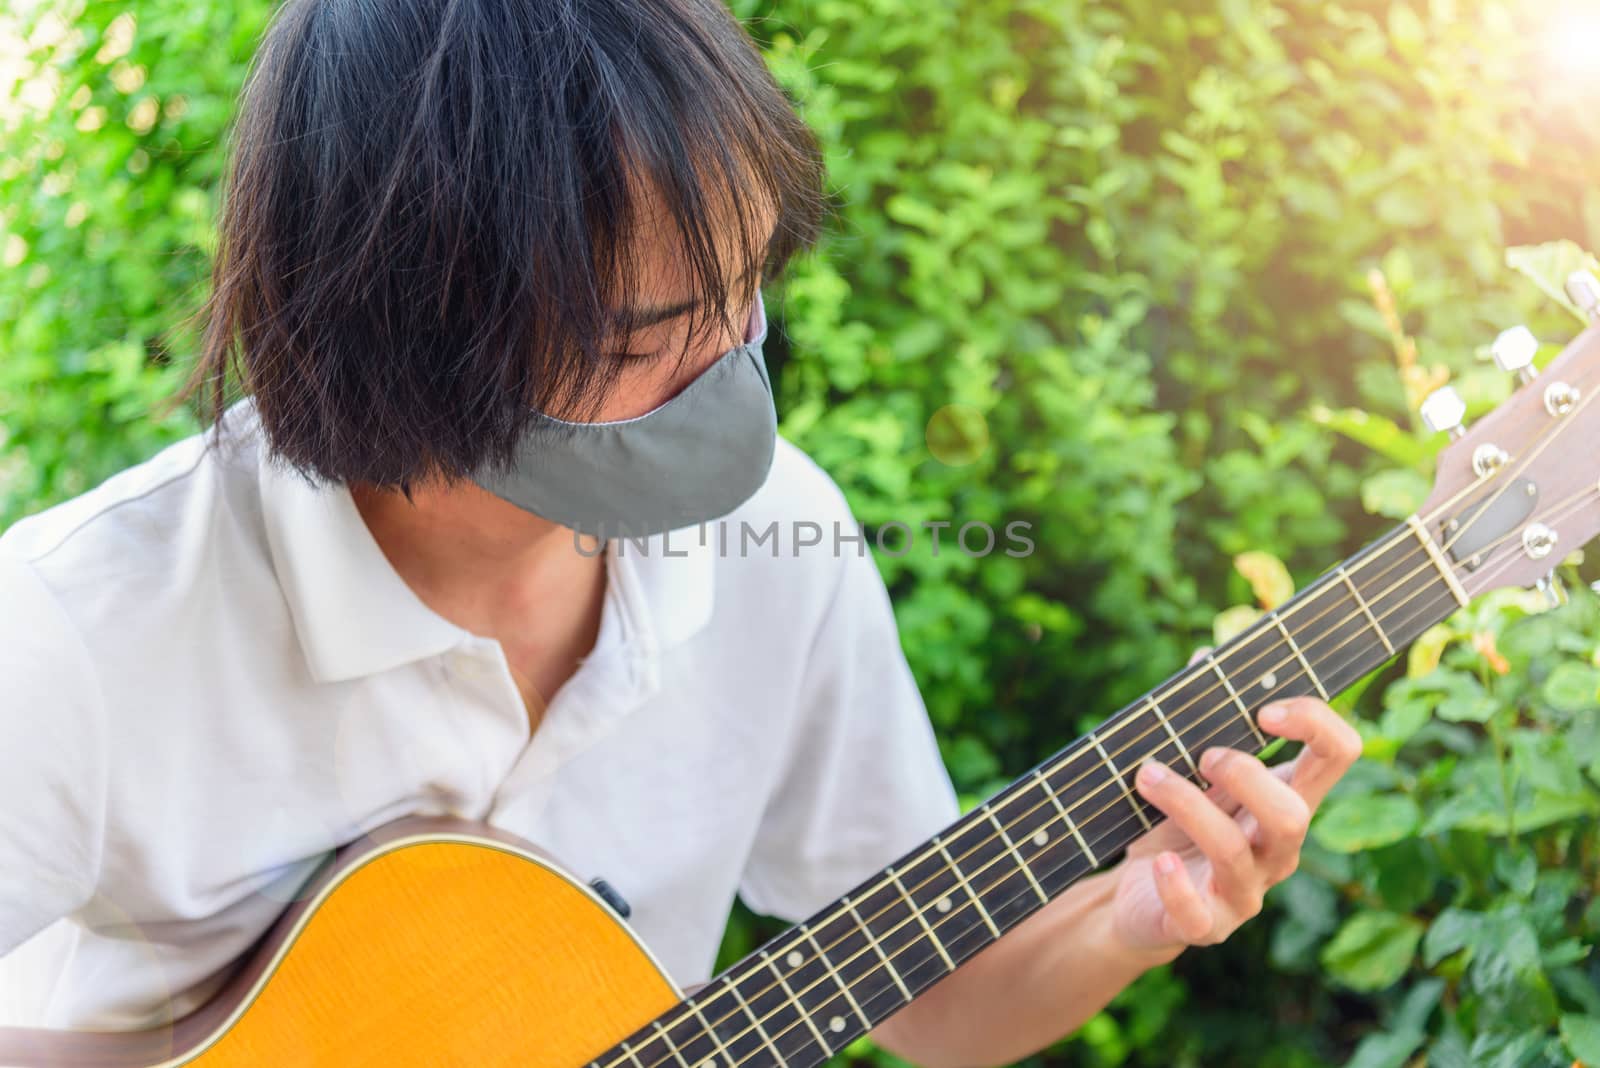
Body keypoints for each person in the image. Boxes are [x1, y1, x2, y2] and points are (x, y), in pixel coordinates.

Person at [0, 0, 1362, 1064]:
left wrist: (1132, 921)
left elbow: (937, 1008)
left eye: (746, 287)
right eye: (647, 339)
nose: (732, 368)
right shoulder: (78, 635)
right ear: (410, 330)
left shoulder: (783, 542)